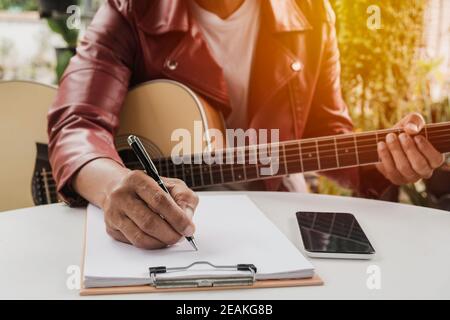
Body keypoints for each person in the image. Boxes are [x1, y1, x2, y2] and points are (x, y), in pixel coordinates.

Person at [47, 0, 445, 249]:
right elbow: (77, 122)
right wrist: (113, 183)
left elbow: (328, 131)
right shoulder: (131, 7)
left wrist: (387, 160)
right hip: (170, 233)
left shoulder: (312, 11)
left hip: (276, 212)